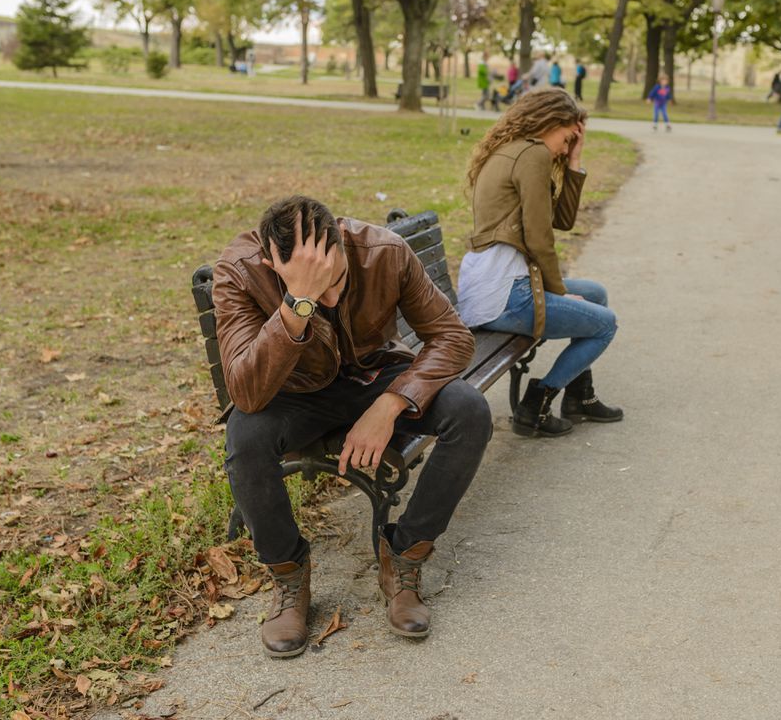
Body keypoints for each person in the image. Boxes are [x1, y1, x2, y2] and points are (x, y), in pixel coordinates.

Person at [213, 196, 492, 657]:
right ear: (270, 262)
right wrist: (295, 304)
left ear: (341, 239)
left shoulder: (383, 251)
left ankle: (403, 559)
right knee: (246, 436)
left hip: (374, 377)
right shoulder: (241, 270)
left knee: (470, 409)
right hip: (294, 390)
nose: (330, 299)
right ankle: (289, 580)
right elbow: (246, 393)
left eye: (334, 279)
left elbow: (452, 337)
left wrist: (390, 404)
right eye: (310, 289)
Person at [457, 89, 624, 438]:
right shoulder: (531, 155)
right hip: (504, 294)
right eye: (566, 139)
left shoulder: (517, 150)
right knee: (605, 324)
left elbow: (560, 221)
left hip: (497, 285)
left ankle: (579, 398)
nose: (565, 148)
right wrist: (559, 292)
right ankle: (537, 402)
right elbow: (538, 239)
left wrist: (575, 161)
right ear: (549, 122)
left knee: (595, 293)